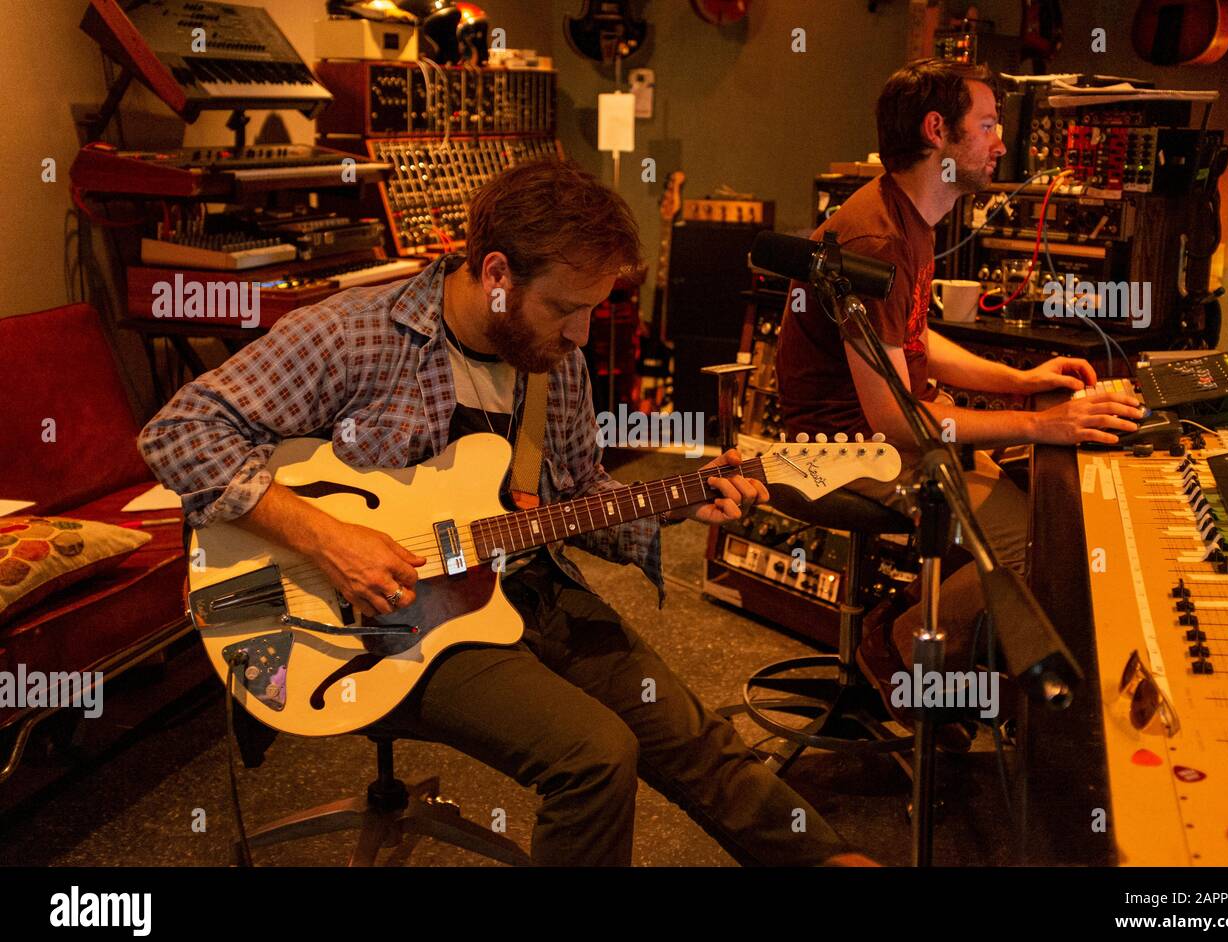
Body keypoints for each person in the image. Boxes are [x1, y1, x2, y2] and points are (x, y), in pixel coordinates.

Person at [140, 159, 874, 866]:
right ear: (496, 275)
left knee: (691, 733)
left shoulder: (558, 361)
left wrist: (682, 501)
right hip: (380, 626)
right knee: (596, 756)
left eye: (594, 309)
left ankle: (830, 860)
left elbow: (579, 498)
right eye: (565, 308)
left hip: (521, 584)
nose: (583, 334)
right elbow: (177, 433)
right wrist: (329, 539)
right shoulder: (351, 334)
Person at [777, 59, 1145, 686]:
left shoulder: (908, 217)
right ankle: (897, 647)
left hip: (888, 438)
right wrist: (1045, 425)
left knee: (1039, 500)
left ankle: (909, 624)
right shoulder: (879, 239)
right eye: (987, 125)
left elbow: (914, 339)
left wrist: (1021, 383)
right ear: (936, 131)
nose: (1001, 142)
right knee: (1040, 541)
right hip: (838, 451)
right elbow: (893, 418)